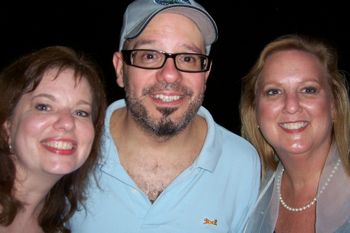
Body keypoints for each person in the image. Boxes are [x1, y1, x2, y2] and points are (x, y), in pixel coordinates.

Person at [69, 0, 261, 232]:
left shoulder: (243, 163)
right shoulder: (73, 148)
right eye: (149, 55)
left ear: (206, 75)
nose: (170, 75)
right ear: (121, 69)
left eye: (188, 58)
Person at [240, 34, 350, 233]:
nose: (291, 106)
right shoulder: (248, 195)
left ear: (334, 105)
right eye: (274, 92)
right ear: (254, 112)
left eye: (308, 89)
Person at [0, 46, 107, 233]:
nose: (67, 123)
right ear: (7, 125)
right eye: (44, 107)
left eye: (81, 112)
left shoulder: (57, 227)